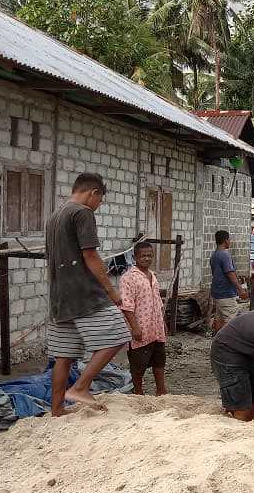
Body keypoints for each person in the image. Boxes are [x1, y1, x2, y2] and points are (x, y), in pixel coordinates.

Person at [45, 173, 131, 415]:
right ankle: (80, 387)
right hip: (84, 293)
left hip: (59, 296)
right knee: (118, 334)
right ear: (93, 192)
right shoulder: (82, 213)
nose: (98, 206)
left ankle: (57, 409)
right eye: (100, 200)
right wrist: (111, 289)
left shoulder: (55, 216)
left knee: (64, 354)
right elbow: (90, 255)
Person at [119, 242, 168, 396]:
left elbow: (158, 301)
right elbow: (126, 306)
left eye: (149, 255)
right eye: (143, 256)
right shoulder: (128, 278)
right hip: (141, 329)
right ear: (135, 257)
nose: (147, 259)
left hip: (156, 328)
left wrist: (163, 323)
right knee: (138, 364)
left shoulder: (153, 276)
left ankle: (161, 390)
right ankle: (138, 392)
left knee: (159, 361)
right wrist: (134, 327)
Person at [210, 230, 248, 332]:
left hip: (217, 292)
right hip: (225, 294)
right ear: (226, 240)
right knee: (232, 322)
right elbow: (230, 274)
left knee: (220, 319)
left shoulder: (214, 255)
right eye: (229, 240)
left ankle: (217, 341)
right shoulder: (224, 255)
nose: (230, 242)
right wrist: (240, 290)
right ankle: (228, 343)